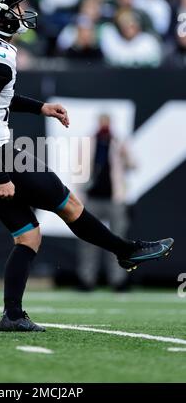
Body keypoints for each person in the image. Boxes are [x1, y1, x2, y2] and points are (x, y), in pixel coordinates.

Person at [0, 0, 174, 332]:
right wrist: (1, 175)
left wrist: (41, 108)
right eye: (16, 5)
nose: (22, 12)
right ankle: (125, 250)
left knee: (29, 237)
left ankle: (12, 315)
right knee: (68, 204)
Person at [77, 114, 135, 291]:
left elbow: (133, 165)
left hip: (114, 198)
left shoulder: (118, 142)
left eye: (106, 122)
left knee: (118, 241)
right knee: (88, 241)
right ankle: (87, 280)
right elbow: (78, 168)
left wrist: (125, 155)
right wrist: (80, 192)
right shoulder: (88, 142)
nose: (104, 125)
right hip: (92, 197)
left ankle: (118, 280)